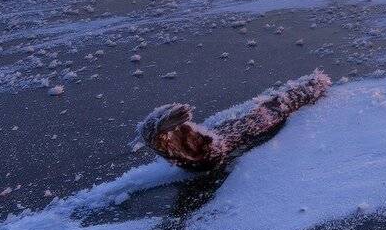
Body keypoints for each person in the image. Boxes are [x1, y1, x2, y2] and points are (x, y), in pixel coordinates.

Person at [139, 70, 331, 172]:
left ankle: (167, 140)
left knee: (225, 139)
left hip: (225, 141)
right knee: (274, 109)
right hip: (228, 139)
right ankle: (167, 139)